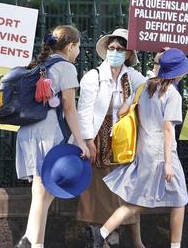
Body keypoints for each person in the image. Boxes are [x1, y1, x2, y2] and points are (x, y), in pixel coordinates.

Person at [93, 48, 188, 248]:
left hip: (143, 151)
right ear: (179, 73)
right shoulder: (172, 94)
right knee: (179, 200)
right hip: (163, 154)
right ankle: (175, 245)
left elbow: (121, 111)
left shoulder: (145, 87)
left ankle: (102, 233)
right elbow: (168, 129)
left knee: (134, 204)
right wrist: (169, 164)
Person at [14, 25, 90, 248]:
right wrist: (81, 142)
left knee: (43, 191)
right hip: (47, 132)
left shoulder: (40, 64)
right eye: (78, 47)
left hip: (28, 130)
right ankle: (28, 241)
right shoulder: (66, 68)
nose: (79, 52)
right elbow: (69, 108)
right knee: (43, 191)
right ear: (70, 46)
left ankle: (35, 243)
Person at [76, 28, 147, 248]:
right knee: (98, 192)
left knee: (121, 192)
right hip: (98, 139)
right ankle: (101, 237)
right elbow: (83, 111)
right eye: (111, 48)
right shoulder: (93, 76)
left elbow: (148, 89)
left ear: (128, 53)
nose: (114, 51)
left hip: (123, 142)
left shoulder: (132, 77)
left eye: (120, 49)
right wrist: (88, 142)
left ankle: (112, 236)